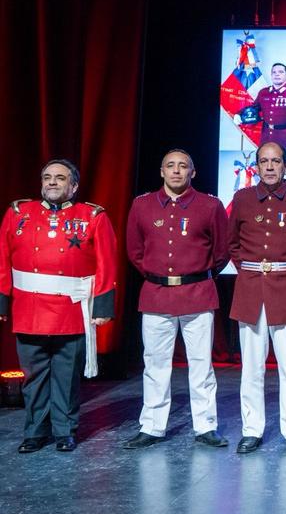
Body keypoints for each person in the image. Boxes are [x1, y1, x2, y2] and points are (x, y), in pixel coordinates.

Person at [0, 159, 117, 453]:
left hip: (71, 310)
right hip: (29, 309)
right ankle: (35, 432)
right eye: (47, 177)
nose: (52, 182)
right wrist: (2, 299)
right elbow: (2, 258)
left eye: (60, 178)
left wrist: (102, 307)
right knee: (34, 377)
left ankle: (65, 431)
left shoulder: (92, 216)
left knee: (66, 377)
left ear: (73, 186)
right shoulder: (18, 213)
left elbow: (107, 263)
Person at [123, 150, 230, 449]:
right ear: (162, 171)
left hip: (198, 295)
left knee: (201, 365)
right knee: (155, 364)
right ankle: (152, 426)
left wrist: (197, 275)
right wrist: (157, 274)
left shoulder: (210, 205)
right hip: (156, 296)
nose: (176, 171)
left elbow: (222, 252)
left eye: (183, 166)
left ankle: (205, 426)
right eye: (170, 166)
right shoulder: (142, 205)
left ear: (192, 173)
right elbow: (135, 251)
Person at [227, 142, 286, 454]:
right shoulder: (242, 199)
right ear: (256, 166)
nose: (269, 167)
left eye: (275, 161)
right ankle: (251, 429)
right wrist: (250, 273)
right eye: (264, 161)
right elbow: (232, 244)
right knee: (251, 367)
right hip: (251, 292)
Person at [236, 62, 286, 151]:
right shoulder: (263, 92)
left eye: (281, 72)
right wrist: (240, 114)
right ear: (271, 75)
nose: (277, 74)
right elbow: (254, 108)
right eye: (274, 72)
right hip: (266, 137)